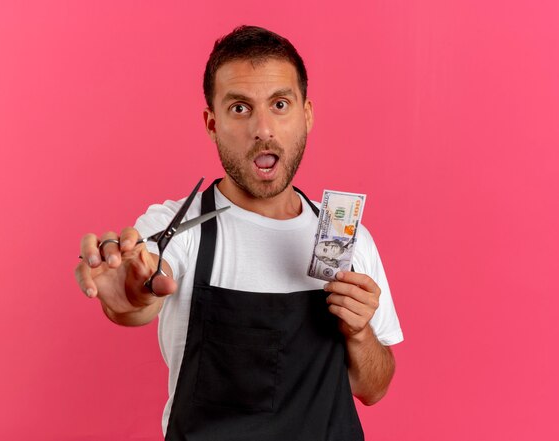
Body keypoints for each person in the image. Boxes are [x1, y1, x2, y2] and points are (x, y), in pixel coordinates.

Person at [75, 25, 403, 440]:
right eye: (240, 108)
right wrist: (131, 293)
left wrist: (359, 331)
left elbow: (374, 388)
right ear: (212, 123)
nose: (263, 128)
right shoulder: (174, 228)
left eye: (280, 104)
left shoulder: (349, 239)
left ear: (307, 115)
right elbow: (138, 291)